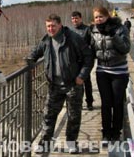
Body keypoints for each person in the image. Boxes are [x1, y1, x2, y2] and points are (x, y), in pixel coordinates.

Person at [27, 14, 93, 154]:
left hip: (73, 84)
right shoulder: (46, 41)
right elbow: (34, 53)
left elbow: (89, 57)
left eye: (53, 26)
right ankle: (44, 144)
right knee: (48, 116)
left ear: (60, 25)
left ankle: (71, 143)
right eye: (48, 26)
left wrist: (82, 76)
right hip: (54, 86)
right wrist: (31, 63)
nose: (50, 29)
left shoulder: (73, 38)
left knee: (74, 116)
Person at [89, 6, 130, 144]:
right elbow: (89, 50)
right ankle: (106, 132)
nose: (98, 19)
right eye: (96, 17)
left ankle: (116, 132)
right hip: (102, 71)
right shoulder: (93, 31)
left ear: (107, 16)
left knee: (117, 102)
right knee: (106, 103)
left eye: (101, 16)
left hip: (119, 71)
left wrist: (113, 35)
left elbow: (125, 48)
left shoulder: (120, 28)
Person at [70, 11, 94, 110]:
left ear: (80, 18)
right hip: (74, 61)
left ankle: (89, 102)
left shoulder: (87, 29)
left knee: (87, 82)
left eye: (76, 18)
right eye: (73, 18)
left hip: (85, 61)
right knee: (75, 84)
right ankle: (77, 103)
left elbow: (92, 44)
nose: (75, 20)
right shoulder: (70, 31)